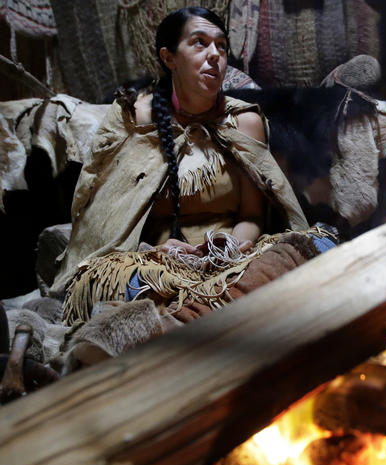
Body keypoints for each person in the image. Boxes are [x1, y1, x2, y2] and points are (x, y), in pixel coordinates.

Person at [51, 7, 318, 326]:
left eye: (221, 45)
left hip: (228, 263)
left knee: (316, 245)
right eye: (200, 43)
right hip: (153, 263)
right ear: (169, 58)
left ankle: (182, 321)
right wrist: (159, 250)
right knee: (108, 283)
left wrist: (231, 246)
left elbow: (252, 215)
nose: (215, 55)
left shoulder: (244, 122)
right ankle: (211, 315)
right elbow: (109, 219)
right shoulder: (133, 119)